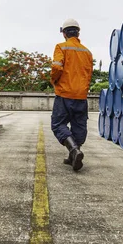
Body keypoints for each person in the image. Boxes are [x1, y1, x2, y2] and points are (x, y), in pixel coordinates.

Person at [50, 18, 93, 171]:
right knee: (78, 126)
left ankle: (74, 150)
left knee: (58, 124)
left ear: (64, 33)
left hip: (64, 93)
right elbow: (89, 75)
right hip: (81, 96)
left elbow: (56, 67)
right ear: (78, 32)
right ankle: (73, 155)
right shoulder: (87, 52)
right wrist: (83, 89)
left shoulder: (61, 47)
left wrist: (54, 81)